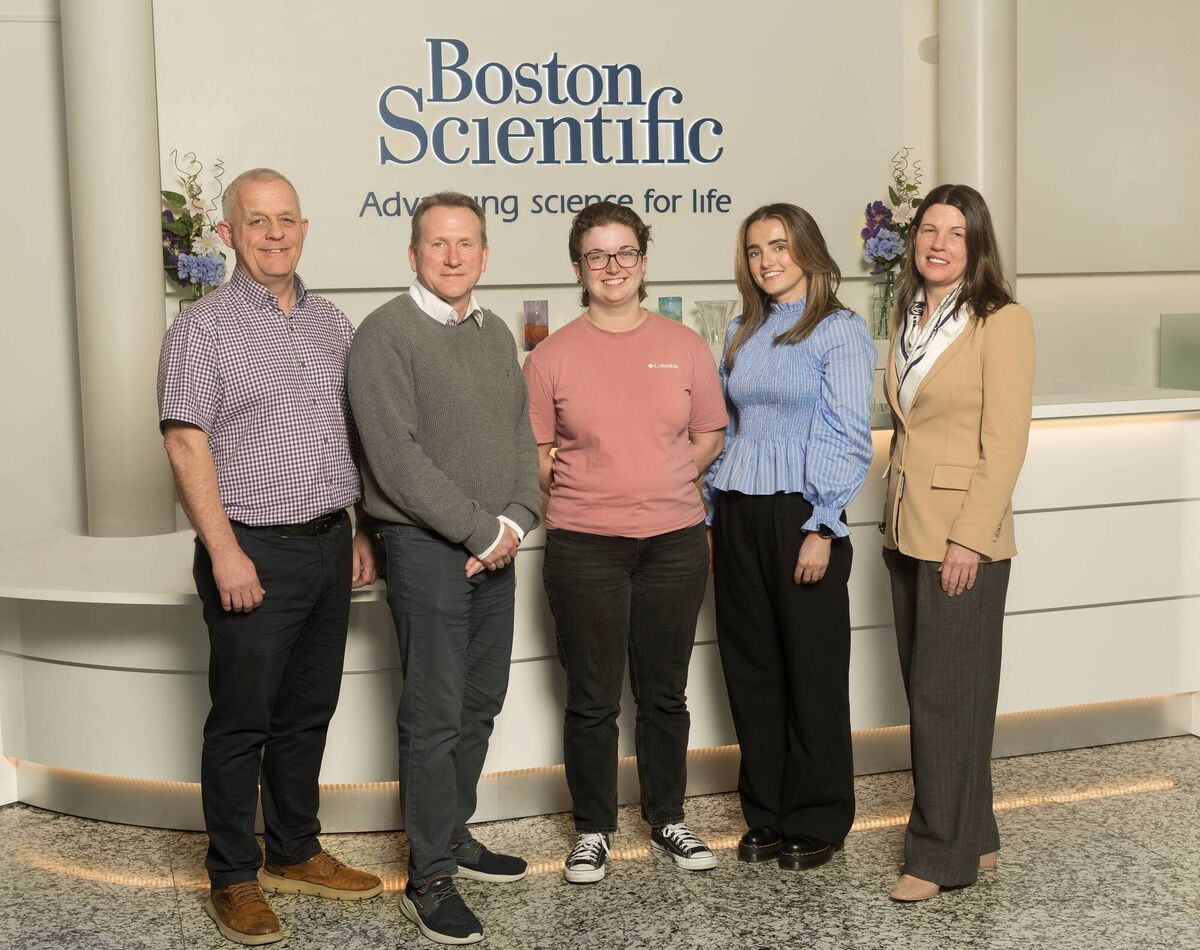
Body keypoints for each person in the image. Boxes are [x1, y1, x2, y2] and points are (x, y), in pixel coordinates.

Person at [157, 168, 382, 947]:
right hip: (249, 548)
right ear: (228, 234)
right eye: (257, 221)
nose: (274, 232)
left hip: (328, 544)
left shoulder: (333, 324)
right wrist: (224, 553)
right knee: (242, 722)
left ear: (305, 227)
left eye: (286, 218)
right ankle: (232, 877)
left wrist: (361, 529)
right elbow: (185, 442)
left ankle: (295, 849)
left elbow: (352, 437)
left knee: (305, 715)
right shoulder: (203, 329)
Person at [348, 192, 540, 945]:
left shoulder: (496, 335)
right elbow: (395, 461)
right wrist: (475, 531)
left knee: (479, 702)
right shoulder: (383, 335)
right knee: (433, 714)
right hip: (428, 548)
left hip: (495, 544)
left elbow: (521, 436)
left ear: (485, 256)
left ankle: (453, 833)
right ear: (413, 255)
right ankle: (427, 875)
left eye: (466, 244)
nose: (454, 256)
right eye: (438, 244)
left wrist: (517, 520)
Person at [523, 201, 727, 884]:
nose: (612, 267)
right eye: (597, 256)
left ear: (644, 260)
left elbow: (708, 436)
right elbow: (538, 453)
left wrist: (659, 483)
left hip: (673, 541)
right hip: (585, 545)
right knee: (592, 697)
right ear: (578, 267)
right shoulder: (551, 356)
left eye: (624, 253)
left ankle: (667, 816)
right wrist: (602, 488)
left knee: (666, 691)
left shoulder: (684, 346)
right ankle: (592, 829)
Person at [704, 204, 876, 872]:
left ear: (807, 250)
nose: (767, 261)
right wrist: (716, 515)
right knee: (752, 670)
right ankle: (767, 814)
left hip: (804, 515)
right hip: (742, 512)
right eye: (755, 251)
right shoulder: (742, 329)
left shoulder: (838, 331)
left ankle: (818, 816)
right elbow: (728, 425)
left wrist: (823, 524)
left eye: (779, 246)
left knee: (812, 670)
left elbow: (846, 431)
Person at [881, 184, 1035, 901]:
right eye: (928, 231)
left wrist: (970, 538)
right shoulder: (909, 312)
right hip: (907, 525)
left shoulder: (1001, 322)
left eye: (955, 234)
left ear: (977, 246)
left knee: (946, 699)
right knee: (939, 692)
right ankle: (977, 833)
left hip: (961, 536)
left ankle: (940, 857)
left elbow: (1003, 445)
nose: (938, 244)